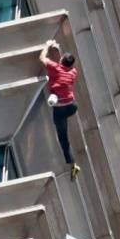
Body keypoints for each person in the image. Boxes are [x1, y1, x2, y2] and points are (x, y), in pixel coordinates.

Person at [39, 39, 81, 180]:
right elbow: (64, 64)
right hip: (71, 106)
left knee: (64, 138)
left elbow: (42, 58)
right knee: (64, 138)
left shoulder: (55, 68)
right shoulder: (73, 72)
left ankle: (73, 164)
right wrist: (58, 51)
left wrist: (48, 45)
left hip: (60, 109)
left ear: (61, 60)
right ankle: (72, 166)